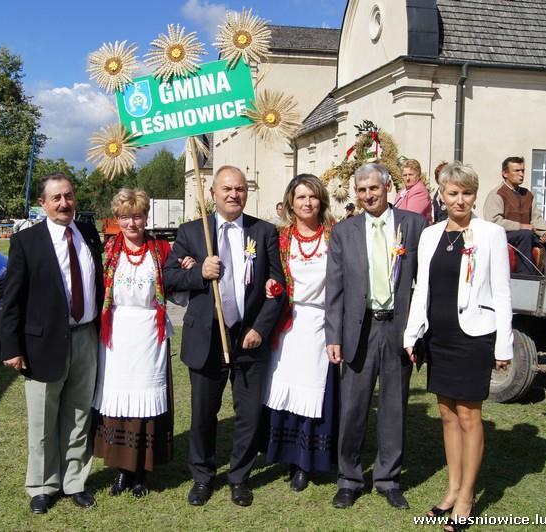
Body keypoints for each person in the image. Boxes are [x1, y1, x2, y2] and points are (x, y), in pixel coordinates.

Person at [164, 165, 286, 507]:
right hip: (207, 338)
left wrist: (259, 330)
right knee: (204, 413)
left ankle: (239, 478)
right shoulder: (191, 233)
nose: (234, 194)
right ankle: (202, 477)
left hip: (247, 338)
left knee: (248, 414)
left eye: (240, 189)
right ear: (213, 193)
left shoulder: (263, 233)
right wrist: (200, 273)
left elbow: (277, 288)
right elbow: (170, 276)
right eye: (227, 189)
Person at [403, 162, 513, 531]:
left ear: (474, 195)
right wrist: (411, 333)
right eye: (453, 193)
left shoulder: (491, 234)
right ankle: (451, 490)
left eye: (467, 193)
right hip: (440, 337)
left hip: (474, 336)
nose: (460, 200)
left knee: (469, 415)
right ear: (443, 195)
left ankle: (466, 497)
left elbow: (502, 291)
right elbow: (422, 289)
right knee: (447, 414)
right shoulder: (431, 234)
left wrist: (504, 344)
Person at [0, 173, 103, 515]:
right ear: (42, 203)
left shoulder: (88, 234)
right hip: (42, 345)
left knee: (78, 415)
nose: (64, 203)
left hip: (86, 337)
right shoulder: (27, 241)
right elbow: (12, 300)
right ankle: (43, 485)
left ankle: (74, 481)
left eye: (69, 196)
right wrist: (11, 348)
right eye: (56, 198)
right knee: (43, 421)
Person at [325, 162, 427, 510]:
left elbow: (423, 284)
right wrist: (333, 335)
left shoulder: (413, 225)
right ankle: (349, 479)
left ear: (387, 189)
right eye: (362, 190)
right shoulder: (344, 231)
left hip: (397, 328)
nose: (368, 195)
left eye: (374, 189)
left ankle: (388, 478)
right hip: (359, 328)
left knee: (393, 408)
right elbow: (334, 289)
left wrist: (419, 331)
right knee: (352, 409)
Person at [92, 188, 193, 498]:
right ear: (116, 219)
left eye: (136, 216)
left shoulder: (162, 249)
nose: (131, 223)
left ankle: (142, 475)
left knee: (146, 402)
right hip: (117, 334)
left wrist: (186, 269)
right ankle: (122, 472)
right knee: (119, 403)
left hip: (150, 332)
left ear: (146, 217)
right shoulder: (109, 250)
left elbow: (176, 292)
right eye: (124, 217)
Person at [263, 174, 338, 492]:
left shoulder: (335, 235)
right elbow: (268, 272)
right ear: (290, 202)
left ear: (321, 200)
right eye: (301, 197)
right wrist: (269, 283)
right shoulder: (280, 238)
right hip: (289, 325)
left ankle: (308, 463)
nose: (307, 203)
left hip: (322, 324)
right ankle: (288, 457)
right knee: (288, 391)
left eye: (313, 197)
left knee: (314, 393)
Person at [483, 156, 546, 274]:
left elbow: (536, 218)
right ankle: (525, 276)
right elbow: (494, 222)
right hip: (505, 236)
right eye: (517, 171)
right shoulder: (497, 194)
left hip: (527, 234)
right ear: (505, 173)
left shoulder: (527, 194)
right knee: (526, 234)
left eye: (523, 171)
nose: (521, 174)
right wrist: (521, 226)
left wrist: (545, 232)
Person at [394, 159, 433, 223]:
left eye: (411, 174)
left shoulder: (419, 191)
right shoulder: (402, 192)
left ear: (418, 175)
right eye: (405, 175)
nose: (407, 178)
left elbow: (410, 217)